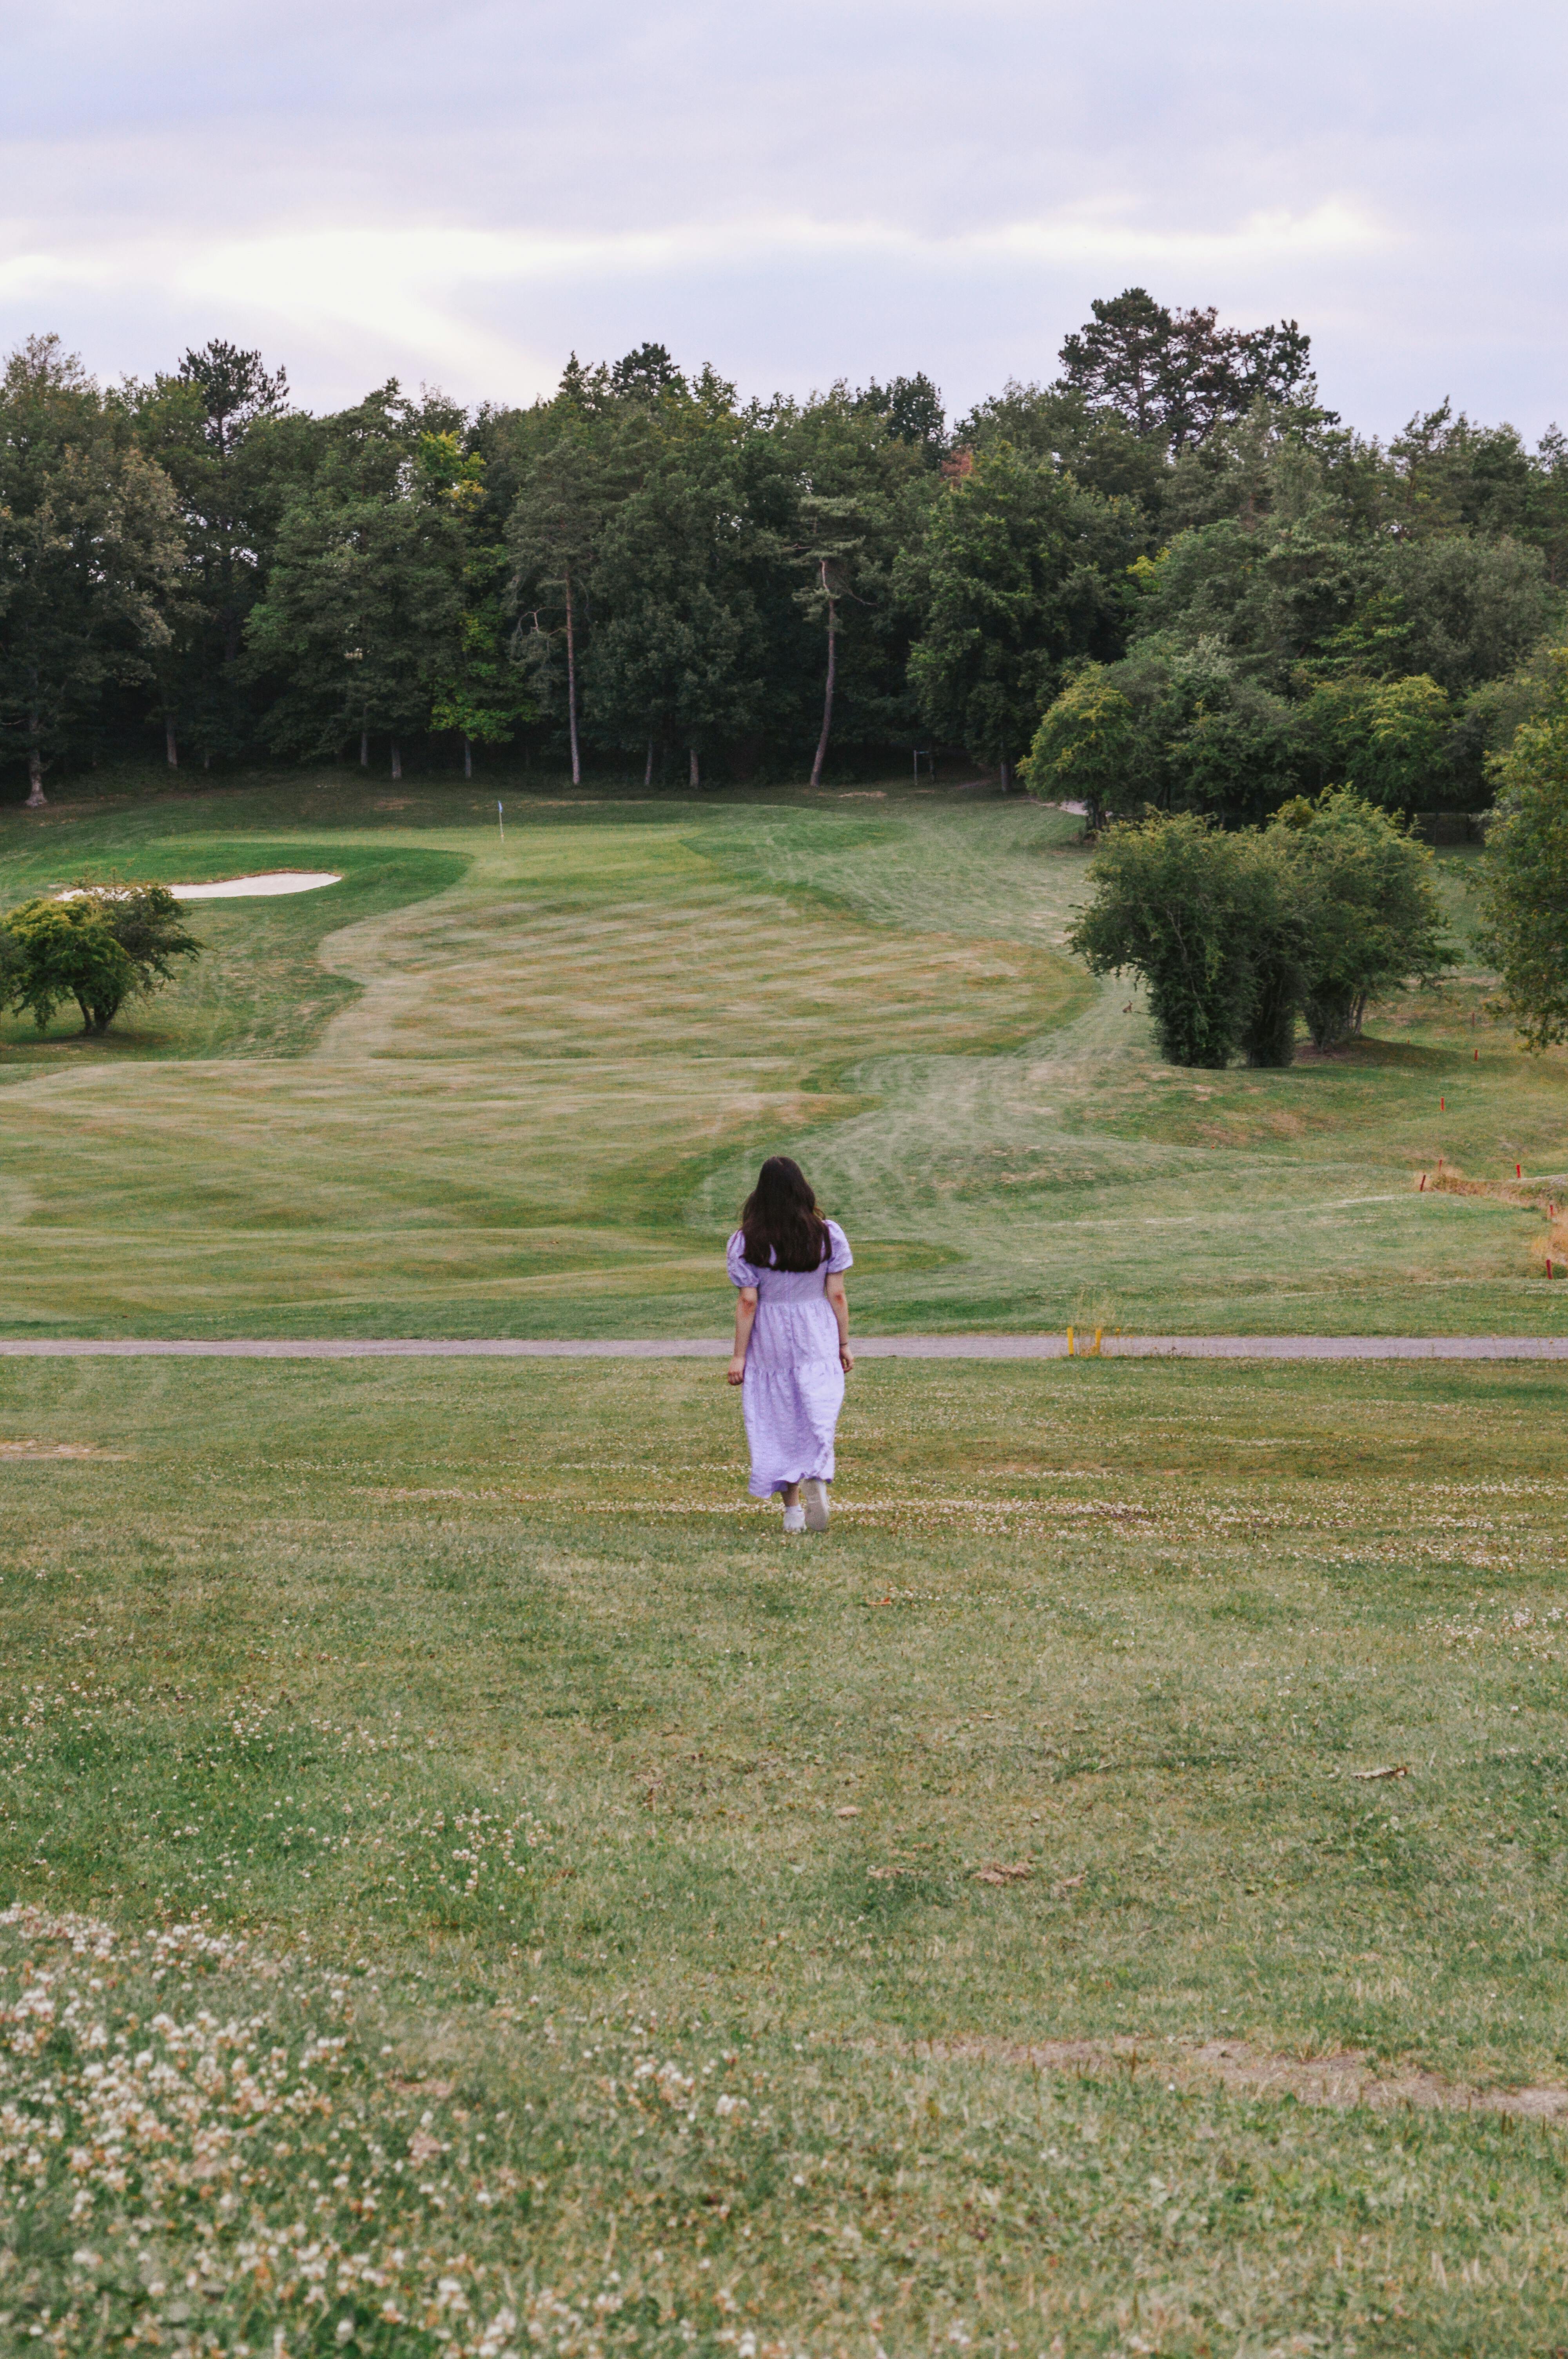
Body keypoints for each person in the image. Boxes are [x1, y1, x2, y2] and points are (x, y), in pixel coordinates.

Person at [726, 1156, 854, 1533]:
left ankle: (794, 1511)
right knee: (817, 1403)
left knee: (778, 1416)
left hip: (772, 1335)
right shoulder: (828, 1234)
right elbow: (838, 1295)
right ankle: (817, 1466)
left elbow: (749, 1301)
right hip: (816, 1329)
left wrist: (738, 1356)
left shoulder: (746, 1240)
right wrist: (843, 1343)